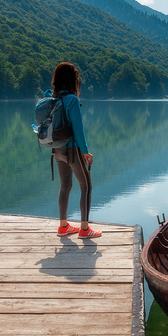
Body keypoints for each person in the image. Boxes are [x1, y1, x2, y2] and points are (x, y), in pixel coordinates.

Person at [51, 62, 102, 239]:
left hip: (57, 150)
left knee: (65, 186)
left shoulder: (53, 98)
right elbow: (78, 129)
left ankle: (63, 226)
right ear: (72, 80)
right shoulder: (72, 100)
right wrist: (85, 151)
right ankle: (85, 230)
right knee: (86, 186)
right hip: (72, 150)